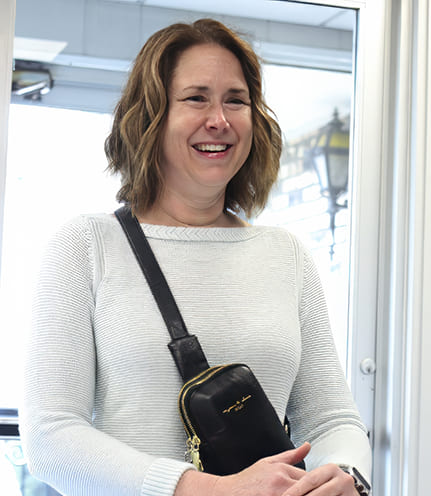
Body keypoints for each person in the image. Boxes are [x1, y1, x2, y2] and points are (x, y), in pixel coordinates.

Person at [20, 18, 372, 496]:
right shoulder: (84, 246)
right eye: (196, 98)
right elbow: (51, 438)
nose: (220, 120)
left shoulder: (285, 255)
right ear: (151, 116)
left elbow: (331, 417)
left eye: (236, 100)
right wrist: (215, 490)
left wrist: (348, 475)